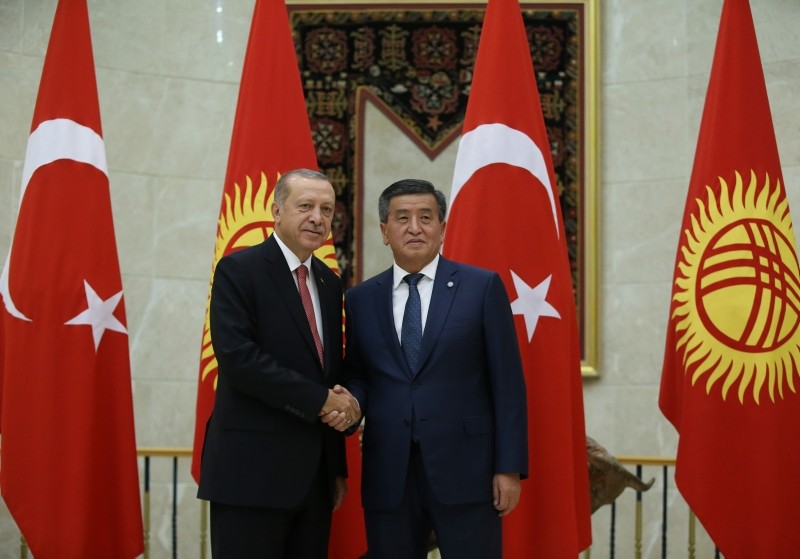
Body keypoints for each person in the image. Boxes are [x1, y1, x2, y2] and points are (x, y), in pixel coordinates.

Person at [333, 178, 528, 558]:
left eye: (426, 217)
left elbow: (508, 384)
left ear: (442, 228)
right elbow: (358, 374)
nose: (415, 227)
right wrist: (351, 402)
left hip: (468, 472)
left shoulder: (481, 287)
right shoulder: (359, 299)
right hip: (390, 473)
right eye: (402, 218)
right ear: (384, 231)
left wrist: (509, 468)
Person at [197, 168, 361, 558]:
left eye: (326, 209)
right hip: (250, 474)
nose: (317, 218)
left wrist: (335, 466)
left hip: (314, 481)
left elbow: (330, 372)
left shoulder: (329, 283)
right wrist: (322, 401)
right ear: (276, 210)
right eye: (305, 206)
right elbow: (240, 359)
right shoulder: (239, 270)